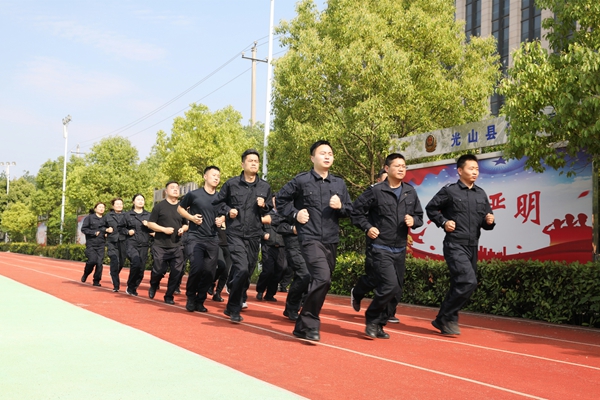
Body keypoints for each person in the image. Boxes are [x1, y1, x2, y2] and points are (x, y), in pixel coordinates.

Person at [277, 140, 353, 341]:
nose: (327, 156)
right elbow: (280, 199)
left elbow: (351, 210)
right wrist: (295, 214)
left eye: (330, 153)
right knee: (322, 278)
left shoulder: (339, 183)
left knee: (323, 282)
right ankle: (311, 324)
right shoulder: (301, 181)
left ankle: (302, 325)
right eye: (322, 153)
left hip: (331, 239)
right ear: (312, 158)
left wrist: (341, 206)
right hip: (309, 238)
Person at [351, 153, 424, 339]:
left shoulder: (410, 191)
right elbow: (356, 211)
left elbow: (420, 218)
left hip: (400, 248)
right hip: (380, 247)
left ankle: (379, 325)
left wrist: (413, 220)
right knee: (389, 285)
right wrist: (368, 227)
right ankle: (372, 317)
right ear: (387, 168)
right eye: (397, 165)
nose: (401, 169)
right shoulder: (376, 191)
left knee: (395, 291)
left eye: (404, 166)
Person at [425, 154, 495, 335]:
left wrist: (489, 220)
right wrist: (443, 222)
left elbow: (487, 222)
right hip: (455, 244)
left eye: (477, 169)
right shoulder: (450, 191)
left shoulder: (481, 193)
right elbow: (431, 208)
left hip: (472, 245)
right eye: (471, 169)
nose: (475, 172)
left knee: (460, 283)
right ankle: (443, 317)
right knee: (468, 281)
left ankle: (449, 319)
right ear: (460, 171)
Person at [212, 149, 273, 323]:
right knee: (242, 268)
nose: (254, 163)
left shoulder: (264, 187)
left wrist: (263, 206)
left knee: (247, 271)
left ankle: (232, 287)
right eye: (250, 160)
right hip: (235, 233)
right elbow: (218, 203)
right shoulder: (231, 184)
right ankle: (234, 307)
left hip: (255, 235)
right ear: (243, 164)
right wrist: (227, 210)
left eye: (256, 161)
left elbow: (269, 208)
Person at [178, 166, 225, 313]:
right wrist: (191, 218)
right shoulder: (194, 195)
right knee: (197, 268)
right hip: (195, 237)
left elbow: (225, 213)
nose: (216, 178)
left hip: (212, 239)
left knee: (210, 272)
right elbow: (180, 209)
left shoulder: (220, 198)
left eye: (218, 176)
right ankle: (191, 297)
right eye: (213, 175)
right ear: (205, 177)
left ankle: (201, 300)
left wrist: (221, 220)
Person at [147, 181, 188, 305]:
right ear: (166, 191)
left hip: (177, 245)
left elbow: (186, 224)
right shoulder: (159, 207)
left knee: (177, 271)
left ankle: (169, 295)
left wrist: (183, 229)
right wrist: (163, 229)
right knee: (158, 270)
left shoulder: (181, 208)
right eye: (172, 188)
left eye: (177, 188)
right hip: (160, 245)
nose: (176, 190)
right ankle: (154, 285)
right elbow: (150, 223)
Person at [276, 211, 309, 322]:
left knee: (311, 276)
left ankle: (300, 305)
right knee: (304, 273)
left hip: (312, 245)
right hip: (294, 244)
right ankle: (292, 307)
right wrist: (292, 229)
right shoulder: (289, 203)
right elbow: (279, 226)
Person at [255, 203, 285, 302]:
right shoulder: (265, 214)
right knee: (268, 270)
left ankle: (270, 293)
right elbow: (257, 226)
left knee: (279, 270)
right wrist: (263, 234)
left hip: (281, 246)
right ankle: (260, 290)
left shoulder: (285, 214)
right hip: (268, 245)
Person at [124, 194, 153, 296]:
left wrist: (149, 226)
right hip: (132, 243)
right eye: (138, 199)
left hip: (144, 244)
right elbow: (120, 229)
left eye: (142, 200)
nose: (140, 201)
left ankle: (133, 287)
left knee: (141, 269)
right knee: (135, 263)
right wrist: (128, 232)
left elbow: (153, 229)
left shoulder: (149, 216)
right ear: (133, 202)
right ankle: (130, 286)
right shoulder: (127, 215)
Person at [81, 202, 109, 287]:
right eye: (99, 207)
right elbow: (84, 229)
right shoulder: (89, 218)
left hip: (101, 244)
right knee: (92, 261)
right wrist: (93, 232)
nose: (101, 208)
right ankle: (86, 273)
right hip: (91, 244)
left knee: (99, 263)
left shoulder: (105, 219)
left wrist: (107, 233)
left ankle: (96, 280)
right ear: (95, 208)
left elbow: (108, 229)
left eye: (103, 207)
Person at [105, 197, 128, 292]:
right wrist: (106, 230)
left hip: (123, 241)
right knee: (115, 261)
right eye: (117, 204)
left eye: (120, 204)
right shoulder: (108, 216)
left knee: (121, 262)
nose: (119, 205)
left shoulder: (127, 215)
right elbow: (101, 226)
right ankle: (116, 285)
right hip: (112, 241)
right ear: (113, 206)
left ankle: (113, 273)